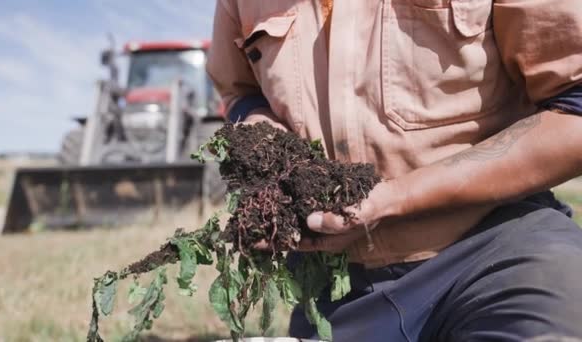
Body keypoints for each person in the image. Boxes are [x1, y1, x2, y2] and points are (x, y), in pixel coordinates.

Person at [206, 1, 582, 340]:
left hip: (498, 252)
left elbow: (574, 107)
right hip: (338, 284)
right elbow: (240, 92)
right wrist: (260, 134)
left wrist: (393, 198)